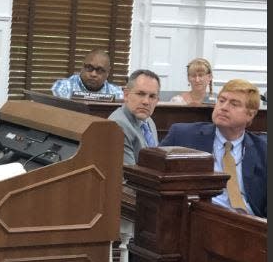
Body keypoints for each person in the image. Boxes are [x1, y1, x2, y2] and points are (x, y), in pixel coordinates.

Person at [160, 79, 266, 218]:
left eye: (234, 104)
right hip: (199, 221)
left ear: (250, 114)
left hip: (251, 226)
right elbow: (154, 176)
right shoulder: (183, 136)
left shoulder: (263, 150)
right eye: (221, 100)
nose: (224, 107)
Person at [108, 69, 160, 165]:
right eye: (141, 94)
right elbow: (126, 175)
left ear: (157, 101)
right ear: (126, 95)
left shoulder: (149, 121)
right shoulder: (118, 125)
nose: (146, 102)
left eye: (152, 96)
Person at [51, 49, 124, 99]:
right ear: (82, 67)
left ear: (108, 72)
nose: (93, 74)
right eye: (89, 68)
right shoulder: (64, 87)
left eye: (100, 70)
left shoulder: (117, 93)